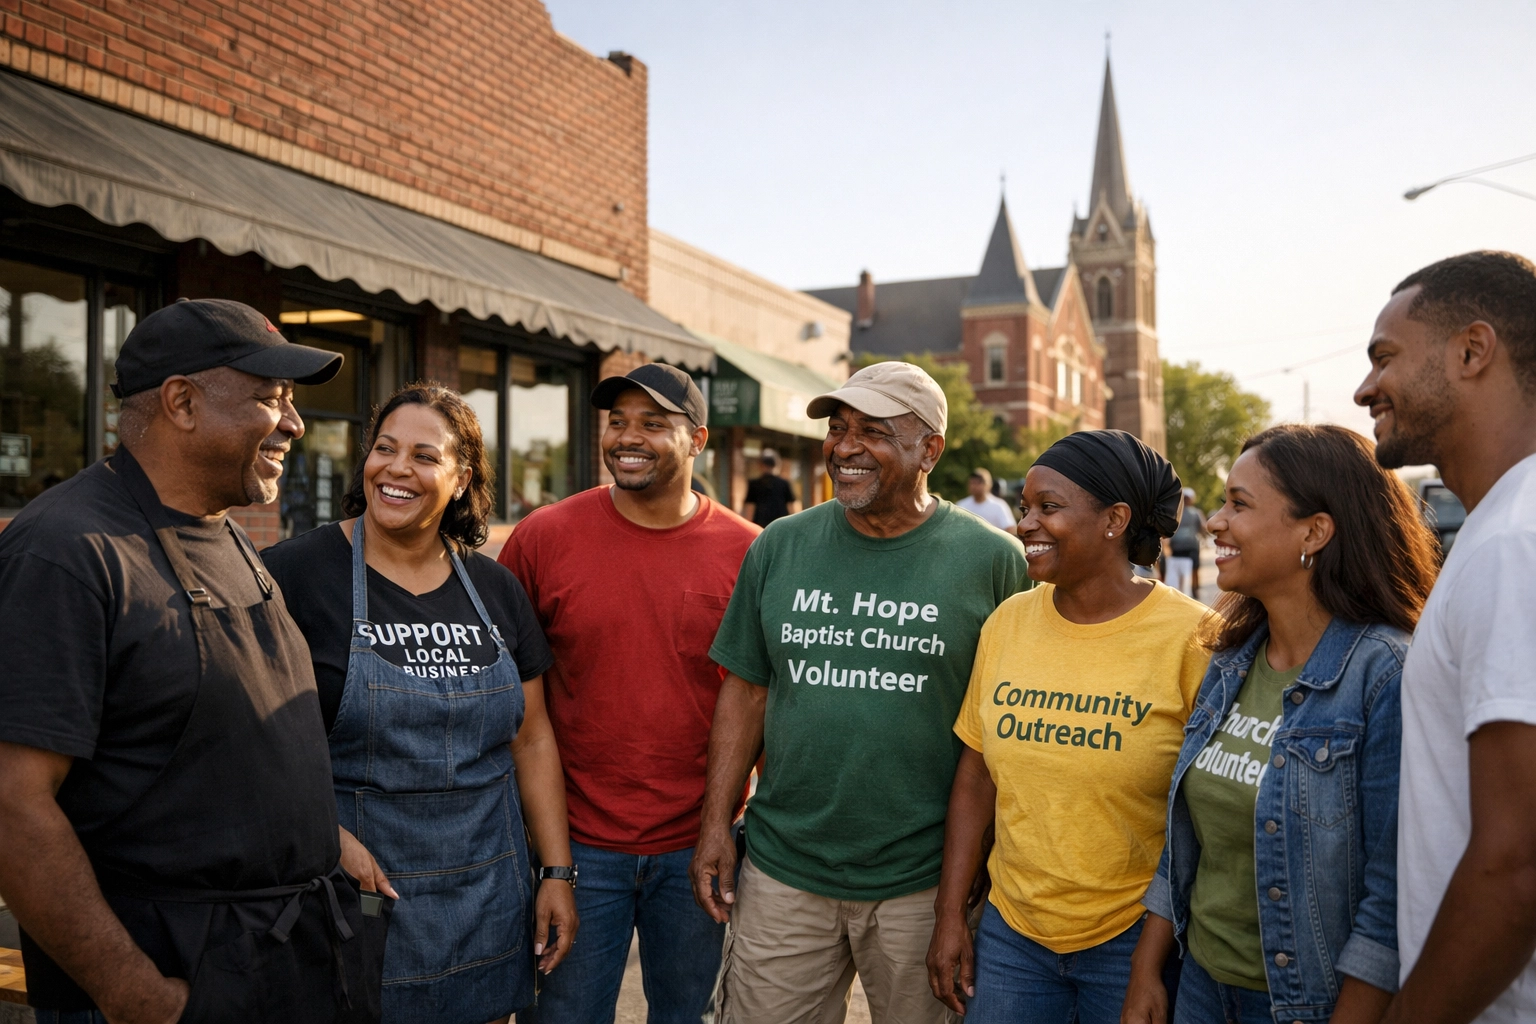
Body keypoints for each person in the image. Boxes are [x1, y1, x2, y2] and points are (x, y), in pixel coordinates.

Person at [0, 299, 388, 1023]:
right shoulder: (67, 553)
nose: (296, 424)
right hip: (177, 976)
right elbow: (13, 806)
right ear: (181, 401)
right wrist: (133, 993)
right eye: (272, 399)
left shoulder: (228, 533)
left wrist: (317, 835)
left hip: (286, 960)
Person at [692, 360, 1030, 1024]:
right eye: (837, 428)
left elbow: (1006, 732)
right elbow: (746, 692)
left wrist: (980, 879)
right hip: (785, 871)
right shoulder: (779, 547)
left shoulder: (994, 562)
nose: (843, 447)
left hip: (924, 885)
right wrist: (715, 823)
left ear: (929, 449)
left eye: (871, 431)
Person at [263, 384, 576, 1023]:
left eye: (424, 456)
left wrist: (558, 872)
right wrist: (326, 835)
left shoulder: (494, 588)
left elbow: (532, 738)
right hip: (359, 887)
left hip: (488, 885)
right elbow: (254, 741)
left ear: (461, 480)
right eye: (385, 448)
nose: (397, 468)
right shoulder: (293, 576)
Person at [1123, 424, 1439, 1024]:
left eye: (1238, 504)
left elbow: (1392, 892)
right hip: (1199, 986)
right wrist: (1148, 969)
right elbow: (1185, 840)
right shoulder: (1229, 657)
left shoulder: (1386, 673)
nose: (1213, 522)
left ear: (1314, 532)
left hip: (1305, 1003)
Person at [498, 363, 760, 1023]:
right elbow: (505, 695)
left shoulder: (749, 552)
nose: (627, 437)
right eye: (617, 421)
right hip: (577, 844)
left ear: (698, 438)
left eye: (653, 422)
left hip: (699, 844)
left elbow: (762, 700)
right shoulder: (543, 538)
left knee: (685, 1017)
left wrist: (732, 827)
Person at [927, 429, 1207, 1024]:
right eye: (1025, 507)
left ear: (1115, 520)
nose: (1026, 523)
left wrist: (1151, 964)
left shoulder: (1194, 638)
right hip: (1012, 939)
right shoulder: (1008, 622)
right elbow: (976, 776)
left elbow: (1204, 820)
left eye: (1048, 508)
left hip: (1133, 941)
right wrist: (951, 914)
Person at [1353, 251, 1536, 1024]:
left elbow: (1516, 860)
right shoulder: (1501, 527)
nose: (1365, 389)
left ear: (1472, 350)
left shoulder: (1513, 542)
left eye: (1384, 358)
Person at [741, 449, 800, 526]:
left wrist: (748, 527)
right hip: (780, 526)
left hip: (760, 527)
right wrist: (795, 525)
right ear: (777, 465)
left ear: (761, 465)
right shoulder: (784, 483)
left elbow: (749, 509)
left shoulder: (754, 484)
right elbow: (792, 507)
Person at [1164, 487, 1205, 597]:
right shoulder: (1196, 513)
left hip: (1181, 546)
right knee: (1191, 569)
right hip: (1188, 546)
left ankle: (1191, 590)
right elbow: (1202, 527)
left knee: (1191, 569)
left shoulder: (1175, 513)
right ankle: (1192, 590)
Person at [955, 468, 1017, 532]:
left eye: (979, 482)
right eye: (972, 482)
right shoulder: (961, 506)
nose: (975, 486)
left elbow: (1010, 529)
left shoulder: (999, 505)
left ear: (989, 484)